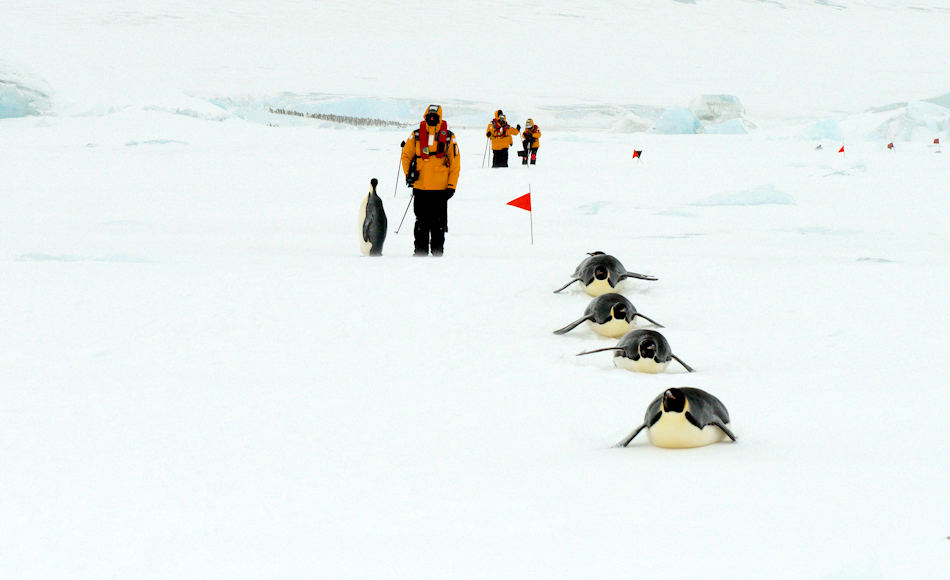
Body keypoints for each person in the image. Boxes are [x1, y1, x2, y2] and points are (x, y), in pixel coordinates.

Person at [401, 104, 460, 256]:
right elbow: (406, 156)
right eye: (429, 117)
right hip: (421, 188)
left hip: (441, 191)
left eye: (435, 117)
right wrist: (410, 175)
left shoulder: (449, 137)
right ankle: (420, 253)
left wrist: (451, 186)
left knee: (438, 224)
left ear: (440, 118)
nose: (432, 119)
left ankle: (437, 255)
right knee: (421, 222)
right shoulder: (415, 136)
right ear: (425, 117)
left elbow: (455, 164)